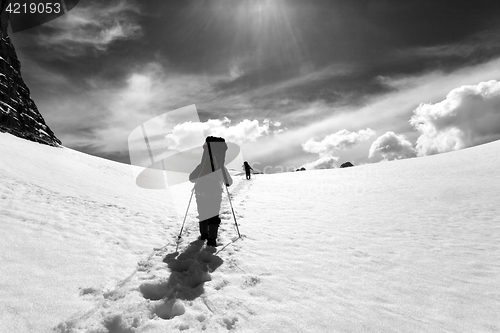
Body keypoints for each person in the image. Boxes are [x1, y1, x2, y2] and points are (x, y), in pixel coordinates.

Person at [189, 136, 233, 247]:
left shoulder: (202, 165)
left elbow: (191, 178)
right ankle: (212, 240)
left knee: (203, 213)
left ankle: (203, 235)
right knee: (213, 215)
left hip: (200, 193)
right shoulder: (220, 167)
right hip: (215, 194)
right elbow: (229, 182)